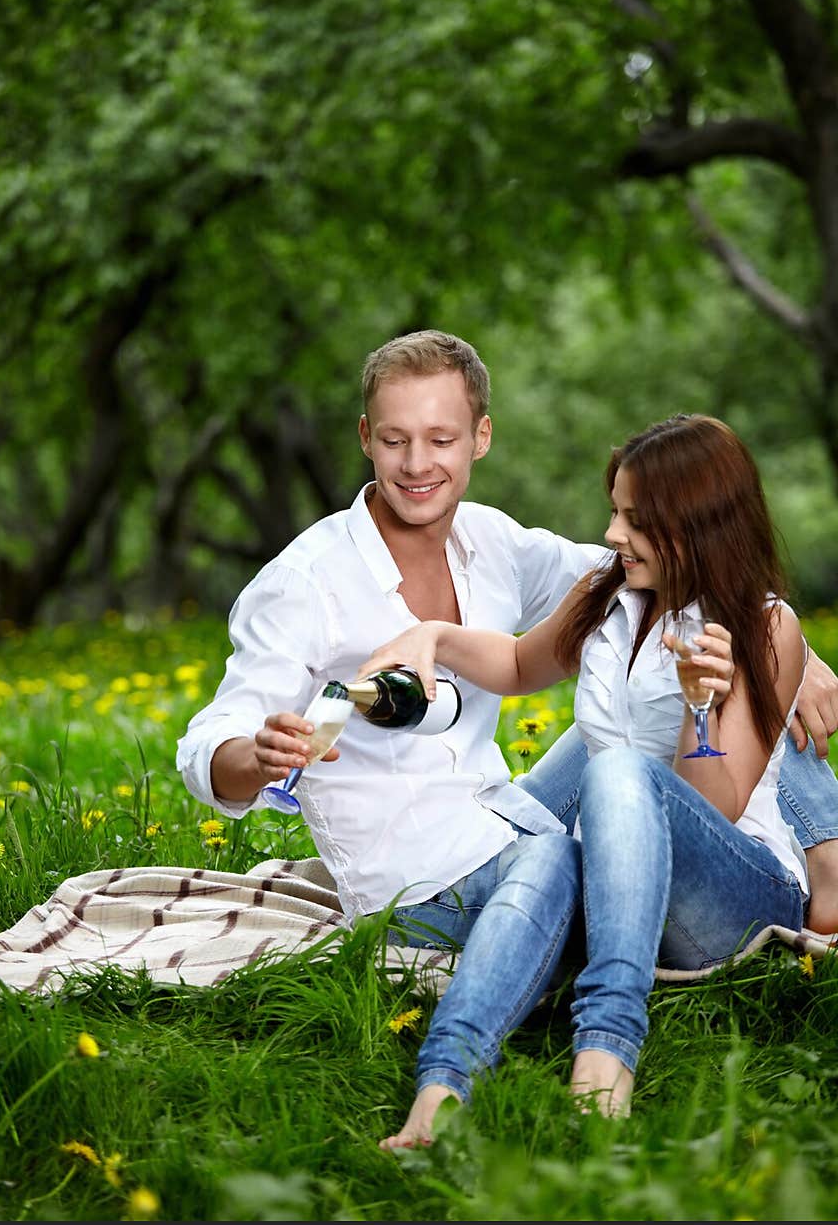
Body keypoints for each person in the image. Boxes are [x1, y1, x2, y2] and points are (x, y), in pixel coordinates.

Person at [175, 331, 838, 1141]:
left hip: (630, 851)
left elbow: (684, 592)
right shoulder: (308, 585)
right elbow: (525, 660)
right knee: (595, 777)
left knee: (615, 761)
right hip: (443, 865)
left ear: (480, 438)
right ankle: (464, 1081)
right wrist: (271, 745)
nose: (417, 463)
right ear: (365, 438)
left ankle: (808, 876)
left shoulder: (494, 542)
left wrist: (786, 656)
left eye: (441, 439)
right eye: (394, 439)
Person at [358, 412, 826, 1135]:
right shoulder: (609, 594)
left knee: (616, 772)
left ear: (697, 522)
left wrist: (700, 713)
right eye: (614, 511)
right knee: (546, 849)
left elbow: (719, 807)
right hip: (622, 880)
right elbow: (517, 664)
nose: (613, 534)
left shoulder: (764, 629)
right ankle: (439, 1094)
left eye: (635, 520)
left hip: (733, 899)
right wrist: (434, 637)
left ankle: (606, 1050)